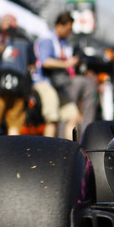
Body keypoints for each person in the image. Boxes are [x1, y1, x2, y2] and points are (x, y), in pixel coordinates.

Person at [0, 14, 36, 138]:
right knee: (15, 121)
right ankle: (12, 152)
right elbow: (32, 64)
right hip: (19, 85)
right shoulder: (26, 38)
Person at [33, 11, 81, 139]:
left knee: (73, 115)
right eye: (68, 29)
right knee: (52, 118)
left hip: (58, 86)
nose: (69, 32)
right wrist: (66, 64)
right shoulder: (47, 40)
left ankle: (72, 151)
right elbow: (45, 61)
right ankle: (47, 152)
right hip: (44, 82)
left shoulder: (63, 43)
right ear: (60, 25)